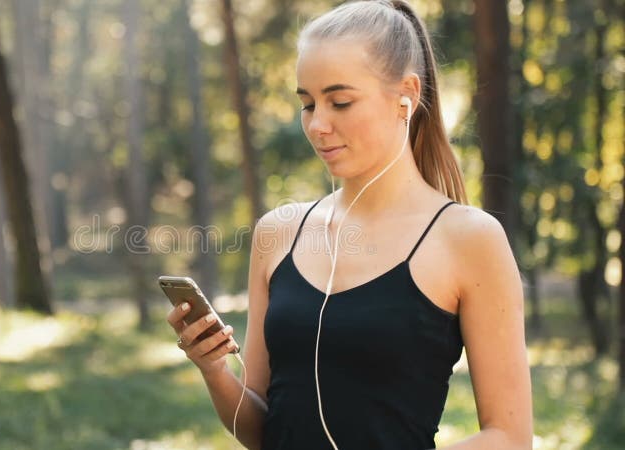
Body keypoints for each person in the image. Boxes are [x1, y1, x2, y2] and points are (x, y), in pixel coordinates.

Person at [166, 1, 533, 449]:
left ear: (407, 96)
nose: (318, 125)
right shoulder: (278, 232)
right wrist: (214, 370)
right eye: (307, 104)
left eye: (340, 101)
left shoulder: (468, 239)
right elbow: (262, 430)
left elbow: (510, 437)